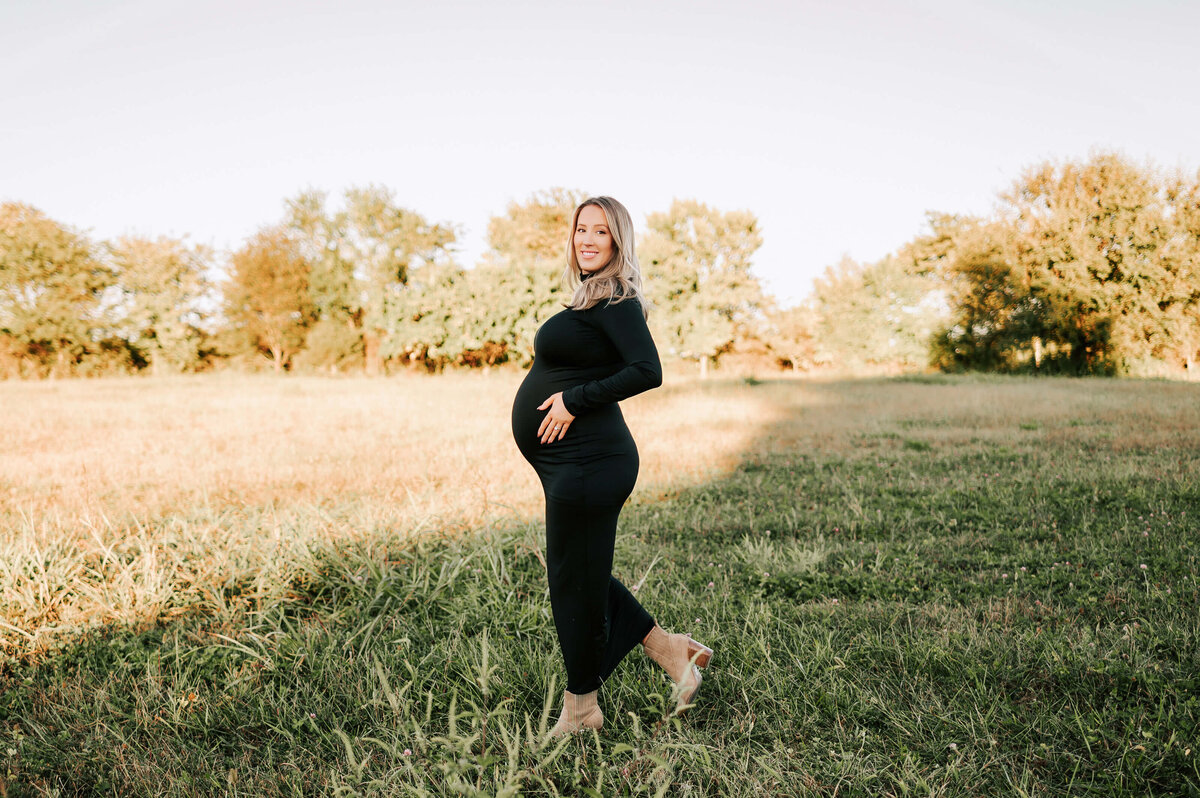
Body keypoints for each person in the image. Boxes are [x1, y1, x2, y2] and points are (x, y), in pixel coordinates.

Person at [510, 196, 713, 737]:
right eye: (581, 229)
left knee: (573, 580)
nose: (588, 239)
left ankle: (583, 711)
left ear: (618, 241)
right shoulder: (589, 300)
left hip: (591, 462)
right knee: (578, 574)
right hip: (571, 465)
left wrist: (574, 400)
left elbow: (648, 370)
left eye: (601, 231)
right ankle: (669, 650)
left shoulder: (618, 299)